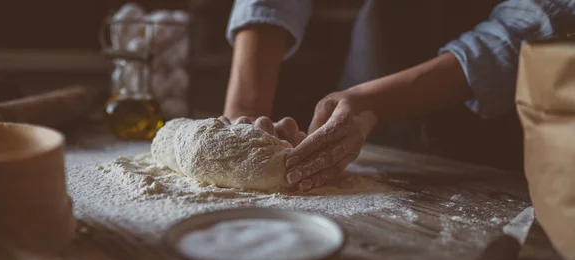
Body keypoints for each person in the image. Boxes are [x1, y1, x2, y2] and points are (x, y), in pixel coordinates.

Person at [222, 0, 575, 192]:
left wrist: (374, 103)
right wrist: (245, 111)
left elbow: (548, 12)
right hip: (380, 50)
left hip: (502, 100)